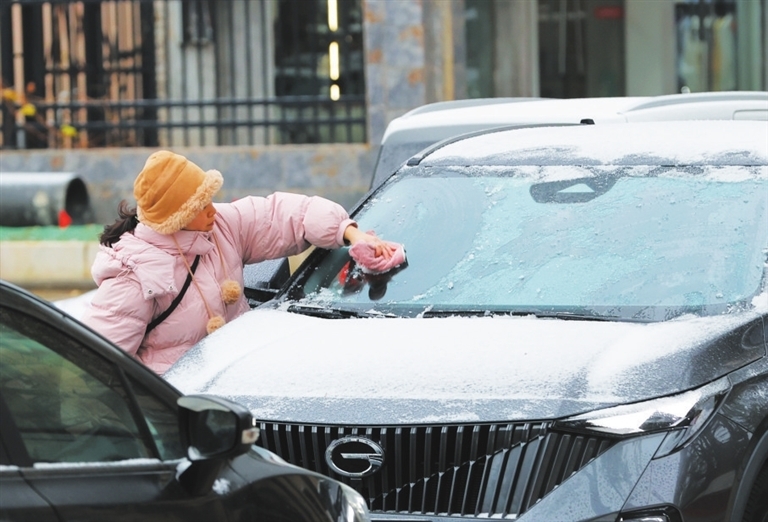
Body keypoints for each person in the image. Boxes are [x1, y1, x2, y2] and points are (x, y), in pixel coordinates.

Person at [81, 150, 394, 375]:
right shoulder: (133, 274)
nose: (212, 211)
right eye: (200, 207)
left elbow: (284, 214)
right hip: (178, 409)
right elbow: (101, 366)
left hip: (237, 387)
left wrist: (349, 233)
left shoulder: (221, 227)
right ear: (179, 218)